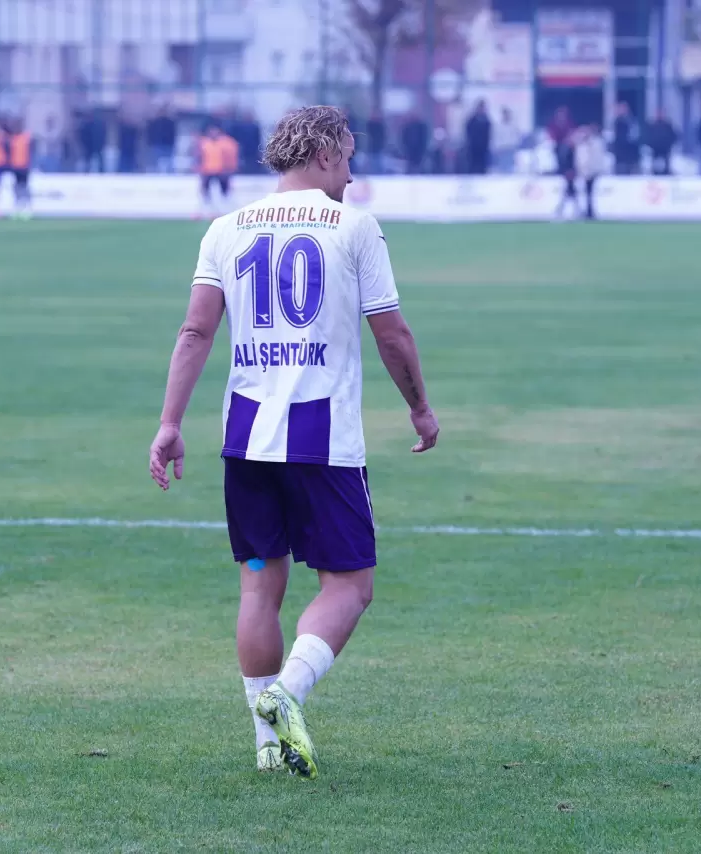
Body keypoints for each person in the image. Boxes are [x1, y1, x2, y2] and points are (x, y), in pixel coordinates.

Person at [147, 105, 439, 779]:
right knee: (350, 586)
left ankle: (267, 746)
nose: (351, 174)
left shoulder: (226, 228)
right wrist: (420, 408)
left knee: (258, 586)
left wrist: (169, 423)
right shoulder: (353, 227)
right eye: (349, 158)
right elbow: (392, 333)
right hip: (321, 441)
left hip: (246, 442)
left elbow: (195, 332)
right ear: (326, 154)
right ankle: (288, 692)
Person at [197, 124, 239, 218]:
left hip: (221, 171)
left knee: (225, 192)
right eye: (211, 131)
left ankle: (227, 211)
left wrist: (229, 169)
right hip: (207, 171)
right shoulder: (204, 143)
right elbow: (199, 156)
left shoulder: (226, 143)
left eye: (215, 131)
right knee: (206, 192)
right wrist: (200, 168)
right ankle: (208, 211)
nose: (213, 133)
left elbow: (230, 157)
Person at [576, 124, 606, 220]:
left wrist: (594, 169)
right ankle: (586, 210)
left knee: (590, 192)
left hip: (591, 171)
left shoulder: (594, 143)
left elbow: (595, 158)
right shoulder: (582, 144)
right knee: (585, 192)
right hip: (584, 172)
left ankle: (590, 211)